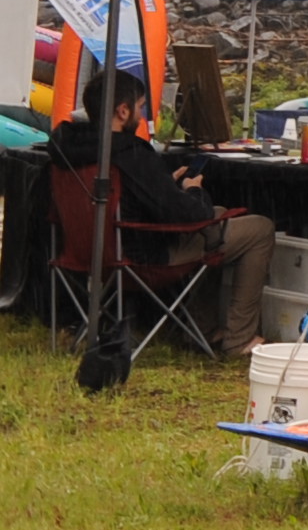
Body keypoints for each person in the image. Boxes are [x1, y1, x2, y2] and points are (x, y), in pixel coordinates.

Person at [47, 106, 274, 350]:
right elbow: (190, 216)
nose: (141, 115)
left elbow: (123, 203)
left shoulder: (66, 152)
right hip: (143, 259)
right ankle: (239, 340)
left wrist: (164, 186)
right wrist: (193, 189)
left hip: (88, 255)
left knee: (217, 215)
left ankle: (203, 329)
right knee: (259, 229)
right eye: (139, 106)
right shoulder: (131, 153)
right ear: (123, 111)